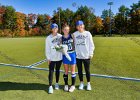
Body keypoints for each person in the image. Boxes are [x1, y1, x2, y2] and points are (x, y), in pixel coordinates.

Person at [73, 20, 95, 91]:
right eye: (78, 26)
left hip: (86, 56)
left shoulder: (88, 33)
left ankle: (88, 84)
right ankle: (81, 83)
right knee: (79, 70)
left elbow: (91, 44)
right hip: (78, 56)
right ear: (76, 27)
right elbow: (68, 39)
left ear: (83, 25)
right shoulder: (74, 34)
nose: (80, 27)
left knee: (87, 70)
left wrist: (91, 53)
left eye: (81, 25)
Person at [45, 23, 62, 94]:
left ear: (57, 28)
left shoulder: (61, 36)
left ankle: (57, 83)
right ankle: (50, 86)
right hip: (52, 58)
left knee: (57, 71)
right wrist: (48, 58)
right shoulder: (48, 38)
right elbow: (47, 49)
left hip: (59, 58)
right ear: (51, 29)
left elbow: (62, 46)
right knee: (51, 72)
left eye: (56, 28)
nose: (55, 29)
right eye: (53, 28)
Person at [62, 24, 76, 92]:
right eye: (65, 29)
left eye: (67, 29)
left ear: (69, 30)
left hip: (72, 55)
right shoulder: (61, 38)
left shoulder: (72, 36)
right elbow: (60, 47)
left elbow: (75, 44)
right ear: (62, 30)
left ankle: (73, 86)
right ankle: (66, 85)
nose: (66, 31)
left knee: (73, 71)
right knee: (66, 71)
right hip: (65, 56)